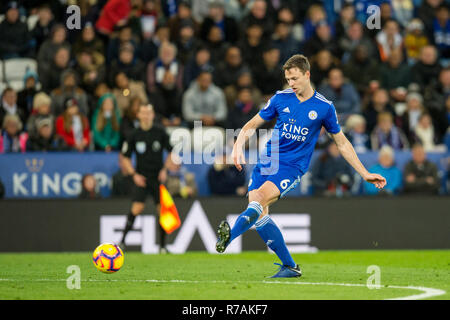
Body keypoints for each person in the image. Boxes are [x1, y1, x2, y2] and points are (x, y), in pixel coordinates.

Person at [215, 54, 386, 278]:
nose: (291, 84)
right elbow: (253, 123)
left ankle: (229, 236)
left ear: (307, 75)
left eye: (295, 78)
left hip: (291, 166)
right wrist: (237, 146)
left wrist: (364, 173)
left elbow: (342, 143)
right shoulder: (280, 98)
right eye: (288, 80)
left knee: (259, 199)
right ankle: (290, 267)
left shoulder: (324, 107)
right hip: (267, 161)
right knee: (259, 213)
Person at [119, 104, 176, 253]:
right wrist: (134, 175)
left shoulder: (160, 132)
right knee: (137, 208)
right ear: (138, 115)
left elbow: (171, 152)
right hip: (142, 178)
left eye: (148, 113)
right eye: (143, 113)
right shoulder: (133, 134)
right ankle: (122, 242)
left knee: (161, 211)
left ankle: (162, 247)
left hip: (157, 177)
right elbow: (125, 157)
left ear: (152, 115)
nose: (146, 116)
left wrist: (165, 170)